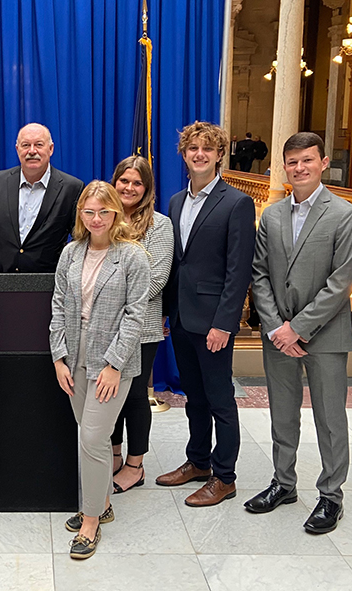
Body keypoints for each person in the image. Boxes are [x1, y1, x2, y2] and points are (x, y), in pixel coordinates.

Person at [247, 132, 352, 534]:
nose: (299, 168)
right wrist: (277, 327)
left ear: (323, 162)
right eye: (292, 162)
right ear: (284, 166)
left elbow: (342, 280)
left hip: (325, 336)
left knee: (329, 418)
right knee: (282, 412)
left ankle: (331, 495)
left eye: (307, 161)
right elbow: (259, 274)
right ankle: (283, 482)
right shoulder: (273, 214)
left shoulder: (344, 214)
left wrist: (298, 328)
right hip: (278, 333)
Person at [155, 121, 255, 507]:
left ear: (218, 156)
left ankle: (224, 477)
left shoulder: (236, 202)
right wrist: (167, 312)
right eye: (192, 149)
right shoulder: (177, 201)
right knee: (192, 396)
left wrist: (224, 324)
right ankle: (197, 462)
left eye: (207, 150)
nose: (199, 155)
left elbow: (238, 269)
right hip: (181, 317)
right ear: (184, 155)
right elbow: (176, 264)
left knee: (219, 400)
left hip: (213, 321)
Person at [50, 180, 149, 560]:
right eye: (88, 212)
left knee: (92, 439)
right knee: (88, 435)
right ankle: (103, 501)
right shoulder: (71, 254)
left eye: (103, 211)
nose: (96, 219)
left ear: (116, 213)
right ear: (81, 214)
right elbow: (58, 306)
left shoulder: (132, 256)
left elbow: (135, 315)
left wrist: (113, 365)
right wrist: (58, 357)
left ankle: (90, 520)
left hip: (112, 360)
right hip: (73, 355)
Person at [108, 156, 174, 494]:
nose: (129, 188)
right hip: (105, 328)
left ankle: (136, 465)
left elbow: (158, 276)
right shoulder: (105, 219)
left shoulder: (160, 226)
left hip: (142, 326)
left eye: (136, 183)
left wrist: (112, 300)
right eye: (124, 181)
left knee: (134, 395)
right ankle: (115, 456)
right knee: (110, 395)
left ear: (146, 189)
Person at [0, 123, 84, 273]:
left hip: (50, 285)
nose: (32, 151)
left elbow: (80, 239)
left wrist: (63, 274)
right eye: (25, 145)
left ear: (51, 149)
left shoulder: (72, 188)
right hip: (1, 283)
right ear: (17, 149)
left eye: (38, 145)